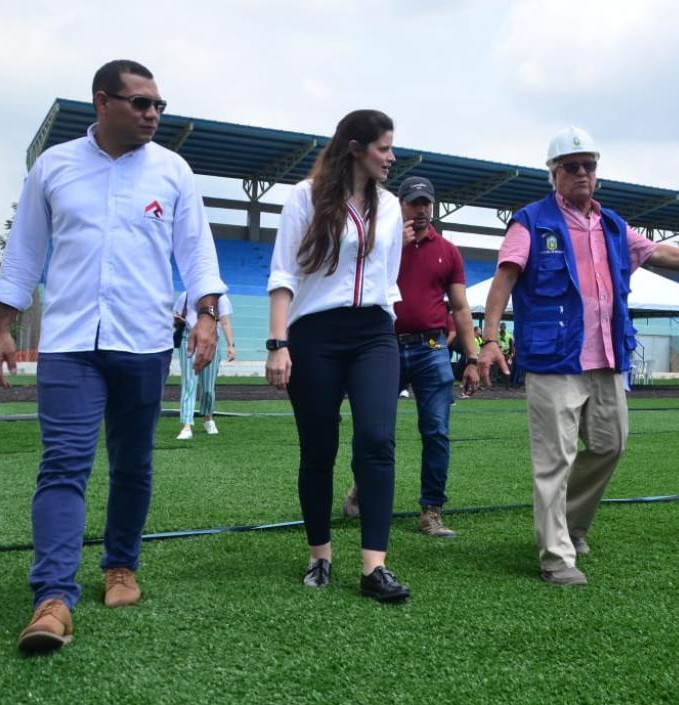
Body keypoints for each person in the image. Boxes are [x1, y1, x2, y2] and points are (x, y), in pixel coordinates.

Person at [0, 60, 225, 654]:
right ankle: (52, 597)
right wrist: (2, 324)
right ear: (103, 102)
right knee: (64, 464)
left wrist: (205, 315)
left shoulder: (173, 171)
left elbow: (196, 251)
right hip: (71, 344)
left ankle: (120, 565)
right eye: (141, 103)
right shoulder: (55, 167)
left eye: (159, 105)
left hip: (145, 341)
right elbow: (24, 253)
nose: (153, 114)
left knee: (133, 463)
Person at [477, 127, 679, 586]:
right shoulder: (530, 222)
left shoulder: (611, 225)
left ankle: (568, 524)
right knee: (554, 460)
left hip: (607, 357)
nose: (583, 173)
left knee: (611, 445)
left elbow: (658, 253)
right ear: (554, 174)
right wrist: (489, 340)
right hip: (554, 360)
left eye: (589, 165)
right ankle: (556, 558)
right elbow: (504, 280)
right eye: (572, 166)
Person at [264, 109, 410, 602]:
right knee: (319, 448)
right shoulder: (302, 198)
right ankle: (319, 556)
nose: (391, 157)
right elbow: (283, 274)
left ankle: (375, 567)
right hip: (314, 335)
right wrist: (279, 344)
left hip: (373, 333)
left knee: (376, 440)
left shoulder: (390, 206)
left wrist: (389, 328)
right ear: (354, 147)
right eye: (383, 147)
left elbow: (388, 278)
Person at [341, 176, 481, 539]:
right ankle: (362, 489)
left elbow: (462, 308)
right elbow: (356, 284)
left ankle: (431, 511)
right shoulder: (378, 242)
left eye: (425, 204)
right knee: (374, 431)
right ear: (399, 205)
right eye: (413, 203)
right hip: (380, 346)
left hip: (431, 348)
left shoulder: (447, 251)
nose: (419, 211)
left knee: (436, 431)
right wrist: (391, 247)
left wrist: (472, 357)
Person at [173, 291, 235, 439]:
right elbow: (176, 317)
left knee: (208, 387)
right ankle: (186, 425)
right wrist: (178, 320)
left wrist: (231, 345)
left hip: (211, 341)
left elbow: (225, 322)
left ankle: (208, 417)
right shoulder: (186, 296)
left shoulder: (219, 299)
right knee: (189, 382)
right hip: (188, 339)